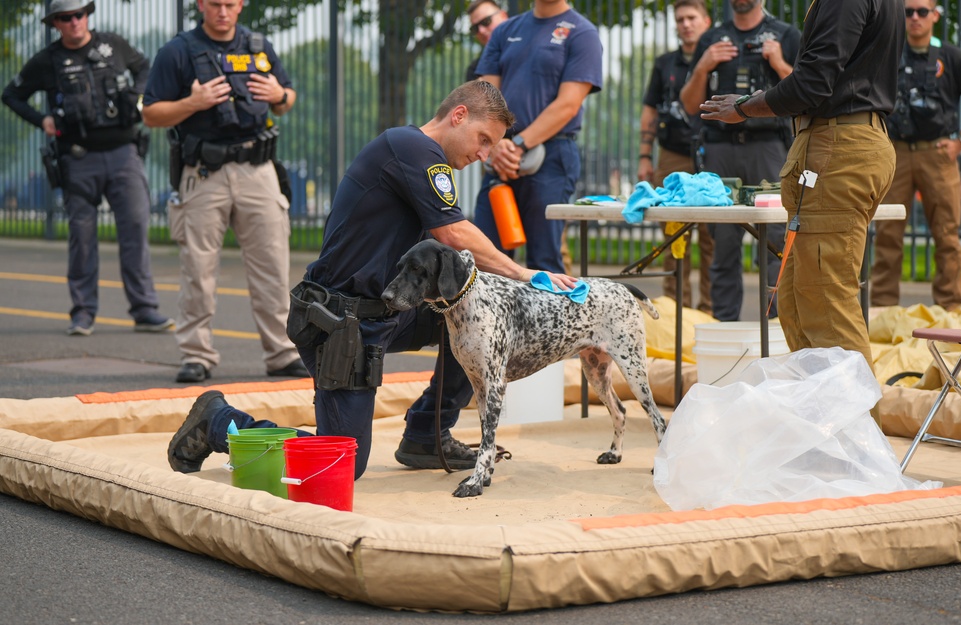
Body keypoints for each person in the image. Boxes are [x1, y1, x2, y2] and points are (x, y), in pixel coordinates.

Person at [166, 81, 577, 479]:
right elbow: (453, 233)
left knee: (473, 315)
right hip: (343, 323)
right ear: (458, 115)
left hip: (391, 309)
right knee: (343, 461)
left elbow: (454, 259)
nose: (485, 155)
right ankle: (218, 420)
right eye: (483, 139)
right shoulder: (412, 148)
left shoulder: (428, 159)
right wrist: (524, 272)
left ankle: (425, 435)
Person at [699, 0, 904, 424]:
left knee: (826, 301)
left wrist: (745, 107)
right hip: (839, 143)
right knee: (796, 300)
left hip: (840, 145)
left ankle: (860, 440)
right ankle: (826, 427)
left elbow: (811, 84)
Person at [142, 0, 308, 383]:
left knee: (273, 265)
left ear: (241, 5)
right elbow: (150, 113)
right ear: (201, 4)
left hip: (258, 168)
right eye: (214, 3)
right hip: (204, 172)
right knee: (198, 268)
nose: (222, 11)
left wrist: (278, 96)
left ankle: (282, 353)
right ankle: (197, 355)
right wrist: (191, 103)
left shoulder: (258, 46)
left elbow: (287, 98)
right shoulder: (178, 51)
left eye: (230, 4)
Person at [1, 0, 174, 337]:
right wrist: (43, 120)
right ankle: (83, 313)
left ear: (87, 15)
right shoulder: (48, 60)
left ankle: (144, 309)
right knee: (81, 235)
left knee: (136, 228)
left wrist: (139, 96)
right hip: (78, 158)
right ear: (55, 23)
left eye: (79, 14)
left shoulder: (113, 44)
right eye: (65, 18)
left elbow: (145, 68)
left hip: (125, 153)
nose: (74, 22)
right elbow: (12, 94)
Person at [679, 0, 800, 321]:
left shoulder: (786, 35)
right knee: (723, 246)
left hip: (768, 147)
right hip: (721, 149)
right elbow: (690, 105)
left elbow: (807, 94)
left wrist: (779, 64)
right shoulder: (713, 38)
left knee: (776, 243)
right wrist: (703, 66)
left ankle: (777, 330)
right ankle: (725, 327)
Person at [870, 0, 961, 312]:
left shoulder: (951, 56)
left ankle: (949, 307)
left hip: (938, 154)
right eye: (908, 12)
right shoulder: (888, 53)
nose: (915, 18)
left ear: (935, 15)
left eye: (922, 11)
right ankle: (883, 308)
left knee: (947, 234)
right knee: (887, 233)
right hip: (895, 154)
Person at [472, 0, 603, 273]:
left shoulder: (582, 32)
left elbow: (568, 105)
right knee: (485, 260)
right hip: (500, 156)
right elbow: (484, 95)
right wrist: (495, 145)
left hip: (551, 156)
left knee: (544, 262)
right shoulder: (504, 31)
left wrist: (517, 144)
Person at [638, 0, 714, 313]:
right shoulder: (664, 63)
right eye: (680, 19)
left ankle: (709, 309)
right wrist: (645, 155)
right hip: (672, 154)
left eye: (691, 17)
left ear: (706, 21)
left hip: (712, 154)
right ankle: (675, 308)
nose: (685, 24)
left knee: (713, 238)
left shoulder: (719, 56)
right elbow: (650, 110)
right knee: (673, 235)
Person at [465, 0, 508, 82]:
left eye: (486, 21)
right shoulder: (476, 70)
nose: (481, 30)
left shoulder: (528, 48)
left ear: (503, 16)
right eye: (475, 28)